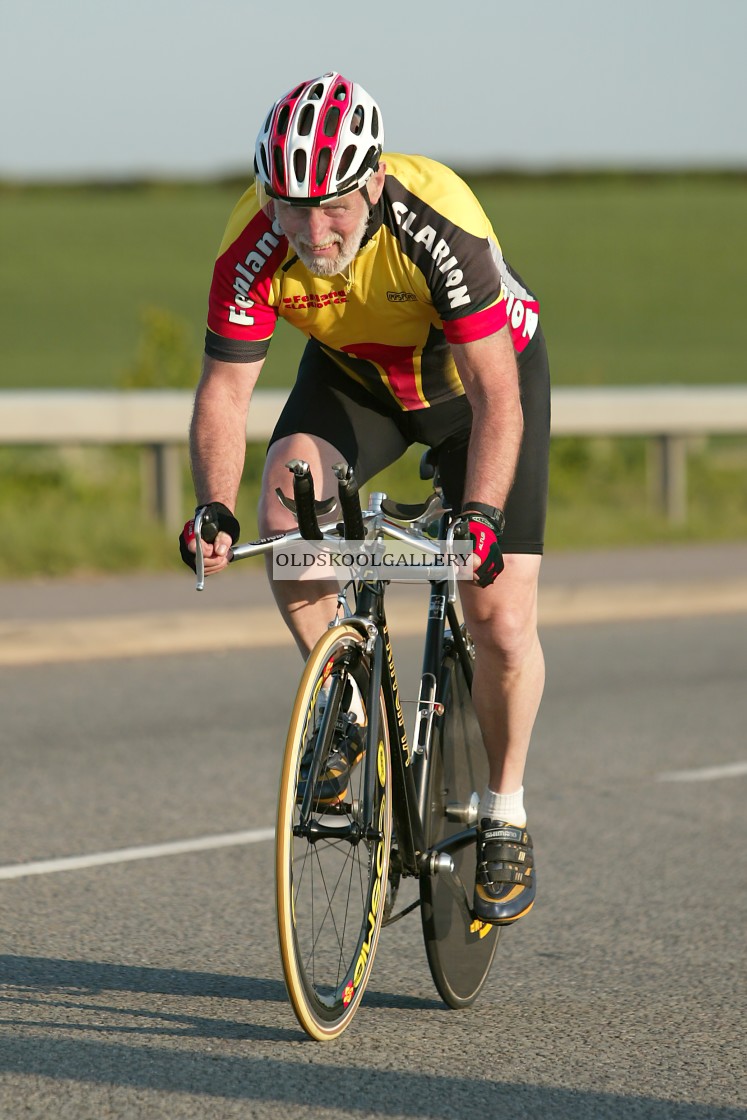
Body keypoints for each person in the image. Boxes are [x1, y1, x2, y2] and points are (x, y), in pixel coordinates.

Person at [180, 72, 550, 926]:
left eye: (336, 207)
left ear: (373, 182)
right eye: (292, 208)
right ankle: (343, 714)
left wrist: (484, 519)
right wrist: (213, 506)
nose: (313, 231)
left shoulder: (437, 222)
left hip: (476, 391)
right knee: (284, 522)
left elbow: (500, 398)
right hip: (358, 384)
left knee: (498, 616)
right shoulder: (254, 242)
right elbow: (225, 396)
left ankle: (504, 809)